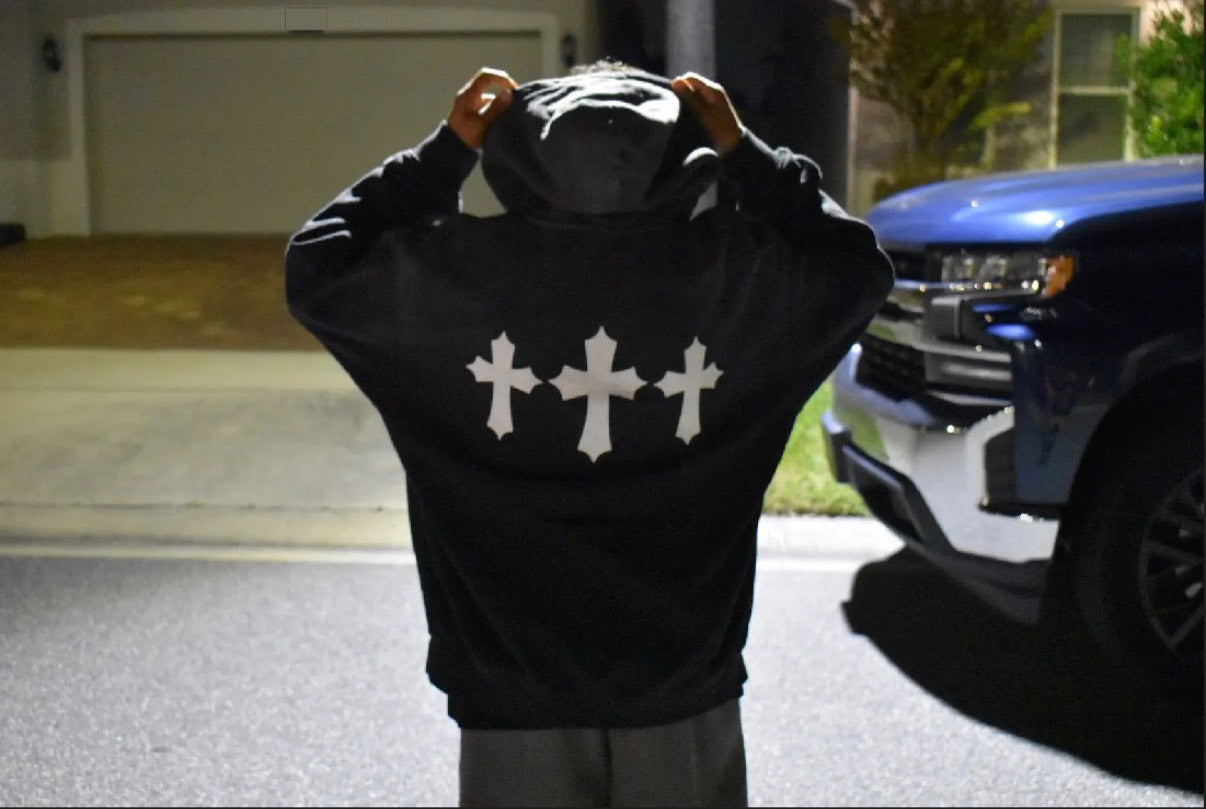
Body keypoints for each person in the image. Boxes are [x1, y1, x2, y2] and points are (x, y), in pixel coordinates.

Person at [286, 60, 893, 807]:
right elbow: (856, 270)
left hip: (511, 699)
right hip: (683, 692)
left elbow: (317, 263)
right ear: (686, 156)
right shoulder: (739, 280)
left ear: (516, 152)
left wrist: (440, 157)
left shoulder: (448, 279)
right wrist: (750, 157)